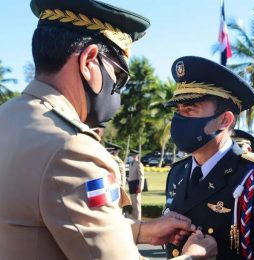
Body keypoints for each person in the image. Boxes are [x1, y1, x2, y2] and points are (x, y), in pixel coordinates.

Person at [0, 1, 217, 259]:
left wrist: (139, 231)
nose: (117, 89)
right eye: (118, 76)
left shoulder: (9, 117)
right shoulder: (70, 148)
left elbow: (46, 220)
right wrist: (194, 256)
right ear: (89, 61)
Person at [163, 56, 254, 259]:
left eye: (190, 109)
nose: (179, 119)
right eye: (178, 110)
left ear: (224, 120)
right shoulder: (177, 172)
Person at [106, 142, 131, 208]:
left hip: (116, 188)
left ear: (113, 151)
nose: (107, 152)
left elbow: (122, 177)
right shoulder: (111, 159)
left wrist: (122, 188)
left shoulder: (117, 161)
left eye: (109, 150)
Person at [128, 149, 145, 220]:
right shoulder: (131, 164)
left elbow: (141, 176)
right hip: (131, 185)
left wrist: (140, 187)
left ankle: (138, 220)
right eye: (131, 155)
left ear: (136, 156)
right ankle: (134, 220)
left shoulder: (139, 164)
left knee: (137, 204)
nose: (131, 156)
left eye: (133, 155)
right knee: (134, 204)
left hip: (136, 186)